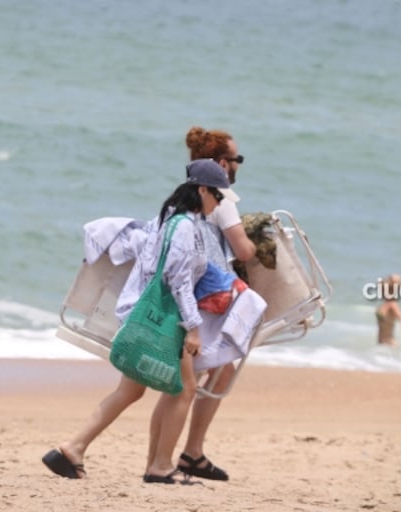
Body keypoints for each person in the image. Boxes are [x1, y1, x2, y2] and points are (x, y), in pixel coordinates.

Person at [42, 159, 234, 483]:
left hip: (141, 314)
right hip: (163, 319)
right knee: (184, 389)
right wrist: (193, 327)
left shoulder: (168, 217)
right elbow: (178, 280)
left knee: (131, 391)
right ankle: (158, 466)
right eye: (218, 195)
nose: (220, 202)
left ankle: (72, 449)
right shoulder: (185, 226)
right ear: (202, 190)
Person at [175, 126, 257, 481]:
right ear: (223, 163)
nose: (238, 165)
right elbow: (242, 251)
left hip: (191, 292)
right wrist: (255, 246)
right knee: (216, 367)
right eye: (237, 159)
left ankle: (190, 452)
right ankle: (187, 453)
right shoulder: (222, 200)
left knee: (213, 368)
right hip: (209, 298)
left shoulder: (187, 197)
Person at [375, 273, 401, 346]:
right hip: (382, 344)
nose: (380, 292)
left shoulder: (392, 304)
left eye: (382, 290)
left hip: (389, 344)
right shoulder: (386, 304)